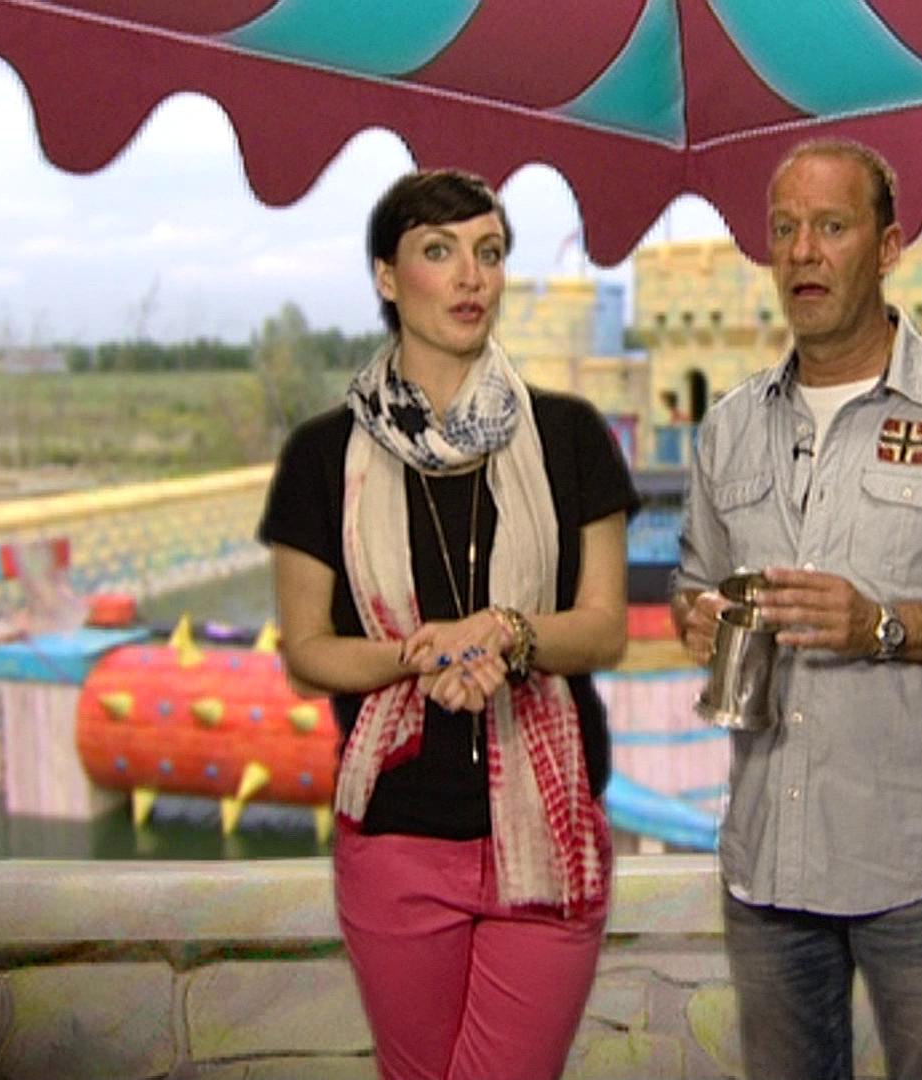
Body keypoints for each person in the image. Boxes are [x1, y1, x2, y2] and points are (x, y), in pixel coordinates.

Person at [671, 139, 922, 1078]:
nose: (802, 252)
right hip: (767, 866)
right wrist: (698, 617)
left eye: (831, 227)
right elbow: (698, 578)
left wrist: (880, 627)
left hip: (917, 871)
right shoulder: (730, 426)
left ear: (888, 248)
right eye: (784, 229)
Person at [258, 168, 639, 1080]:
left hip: (548, 837)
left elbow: (603, 630)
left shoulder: (571, 436)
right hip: (398, 838)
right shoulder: (321, 456)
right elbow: (307, 654)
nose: (472, 277)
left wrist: (509, 633)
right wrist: (415, 655)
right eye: (440, 252)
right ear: (388, 277)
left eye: (489, 253)